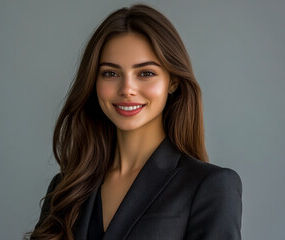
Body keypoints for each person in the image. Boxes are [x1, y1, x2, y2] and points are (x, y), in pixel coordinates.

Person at [30, 4, 242, 240]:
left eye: (146, 73)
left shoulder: (209, 185)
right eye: (111, 73)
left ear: (172, 82)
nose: (127, 89)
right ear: (94, 82)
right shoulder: (65, 188)